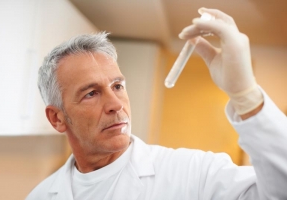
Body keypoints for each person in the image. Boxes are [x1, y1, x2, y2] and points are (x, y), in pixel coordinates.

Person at [26, 8, 287, 200]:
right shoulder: (40, 195)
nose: (116, 104)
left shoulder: (194, 174)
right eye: (91, 93)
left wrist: (247, 95)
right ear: (57, 118)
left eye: (118, 86)